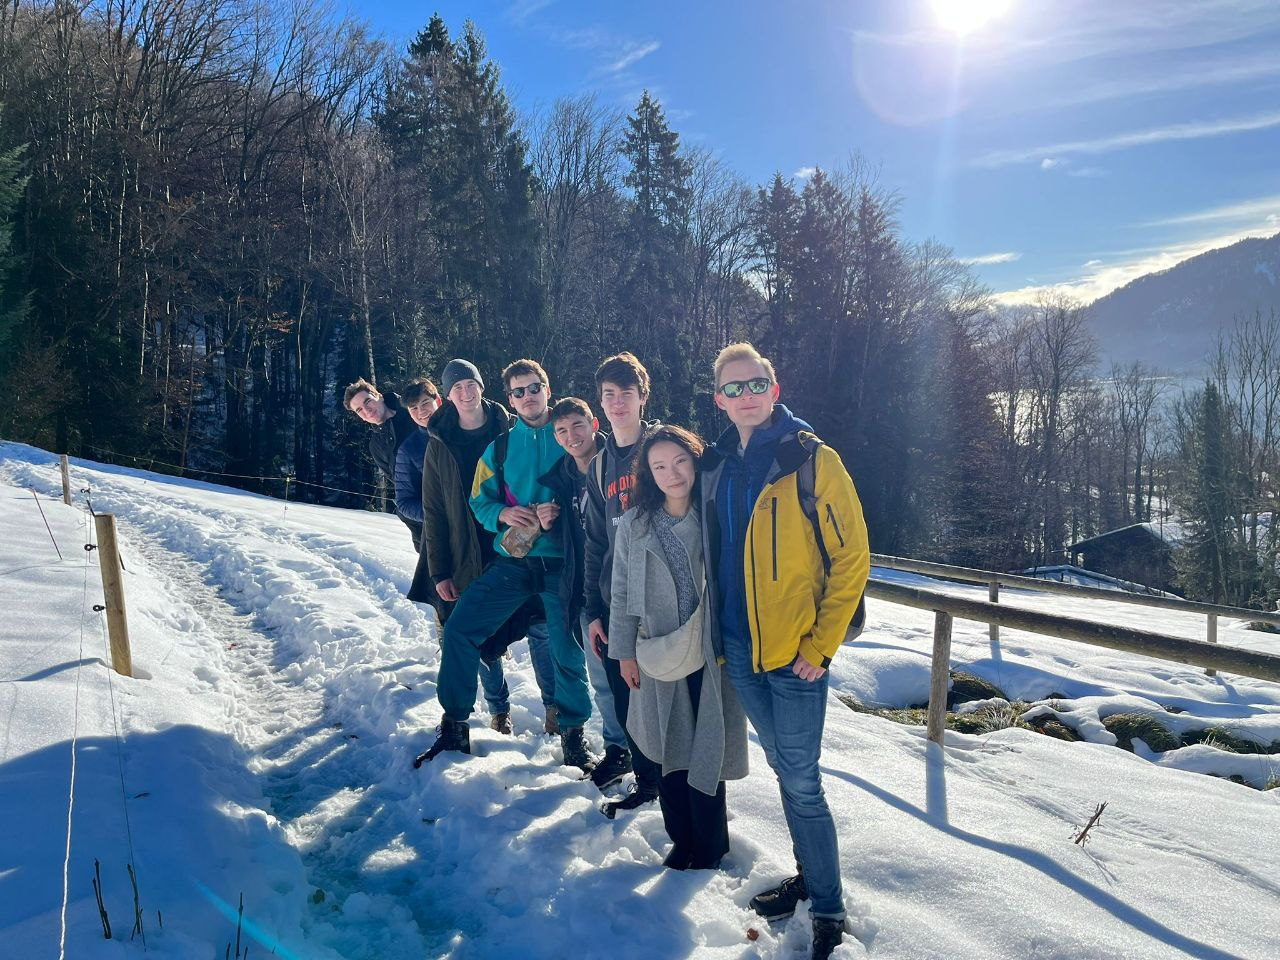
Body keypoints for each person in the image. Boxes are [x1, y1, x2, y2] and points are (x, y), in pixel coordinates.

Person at [701, 342, 869, 960]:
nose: (745, 397)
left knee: (801, 780)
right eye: (732, 389)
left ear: (774, 387)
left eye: (755, 385)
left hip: (794, 651)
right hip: (739, 645)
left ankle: (827, 908)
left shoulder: (812, 459)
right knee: (784, 768)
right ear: (719, 399)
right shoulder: (718, 462)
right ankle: (809, 880)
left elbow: (852, 558)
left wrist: (821, 645)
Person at [419, 359, 597, 772]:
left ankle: (573, 737)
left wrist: (562, 515)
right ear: (510, 398)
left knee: (564, 647)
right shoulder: (498, 447)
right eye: (517, 391)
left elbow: (597, 492)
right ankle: (454, 726)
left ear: (547, 389)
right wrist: (502, 513)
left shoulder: (572, 433)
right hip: (515, 560)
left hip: (564, 564)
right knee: (460, 628)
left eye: (533, 388)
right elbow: (478, 501)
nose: (527, 397)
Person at [608, 425, 748, 870]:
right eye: (660, 466)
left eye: (681, 461)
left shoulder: (715, 515)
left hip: (709, 652)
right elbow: (622, 588)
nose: (672, 473)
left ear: (696, 460)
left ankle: (709, 845)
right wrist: (625, 652)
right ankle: (680, 840)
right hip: (656, 651)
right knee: (668, 747)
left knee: (706, 746)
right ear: (648, 473)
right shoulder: (635, 522)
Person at [404, 360, 556, 738]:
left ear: (482, 386)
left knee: (540, 628)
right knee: (480, 637)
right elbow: (434, 511)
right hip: (467, 550)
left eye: (470, 384)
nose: (466, 392)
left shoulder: (507, 427)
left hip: (523, 546)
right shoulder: (438, 443)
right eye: (457, 388)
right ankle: (498, 708)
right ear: (447, 396)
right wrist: (439, 571)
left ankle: (554, 708)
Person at [583, 352, 663, 816]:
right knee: (624, 695)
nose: (617, 403)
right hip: (616, 600)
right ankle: (646, 784)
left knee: (660, 697)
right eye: (609, 395)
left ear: (642, 398)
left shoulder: (661, 450)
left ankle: (671, 786)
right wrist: (594, 609)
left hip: (659, 598)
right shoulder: (599, 465)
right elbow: (595, 539)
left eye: (625, 394)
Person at [539, 398, 631, 788]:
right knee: (602, 678)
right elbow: (571, 538)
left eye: (577, 426)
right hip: (584, 590)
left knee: (637, 678)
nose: (571, 436)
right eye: (562, 431)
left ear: (594, 423)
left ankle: (647, 754)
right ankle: (618, 749)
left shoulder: (619, 463)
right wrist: (546, 524)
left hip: (625, 586)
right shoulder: (559, 479)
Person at [343, 377, 418, 545]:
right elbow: (396, 480)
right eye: (359, 410)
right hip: (419, 514)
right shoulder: (376, 445)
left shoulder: (414, 411)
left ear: (380, 396)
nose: (367, 411)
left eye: (368, 401)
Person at [393, 378, 442, 552]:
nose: (421, 412)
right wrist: (437, 514)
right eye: (413, 408)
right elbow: (404, 502)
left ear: (438, 401)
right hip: (442, 532)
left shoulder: (463, 428)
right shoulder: (409, 449)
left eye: (425, 403)